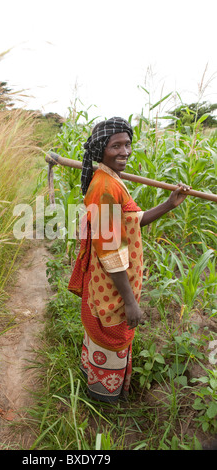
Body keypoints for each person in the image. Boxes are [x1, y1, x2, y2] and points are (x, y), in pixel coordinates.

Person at [68, 117, 189, 404]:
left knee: (107, 334)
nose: (125, 151)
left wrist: (169, 204)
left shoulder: (111, 179)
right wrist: (130, 301)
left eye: (128, 144)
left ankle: (103, 391)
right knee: (111, 333)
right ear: (101, 149)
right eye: (116, 146)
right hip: (111, 283)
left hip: (111, 279)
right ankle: (103, 404)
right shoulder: (105, 187)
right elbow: (110, 250)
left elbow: (132, 221)